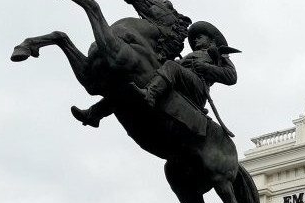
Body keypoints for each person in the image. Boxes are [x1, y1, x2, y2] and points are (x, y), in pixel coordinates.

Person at [71, 21, 239, 134]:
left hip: (197, 90)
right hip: (179, 84)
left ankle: (150, 94)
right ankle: (94, 114)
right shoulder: (190, 55)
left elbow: (231, 77)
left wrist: (206, 67)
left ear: (211, 40)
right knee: (134, 81)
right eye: (194, 38)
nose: (195, 40)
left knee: (171, 66)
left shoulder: (219, 54)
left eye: (200, 37)